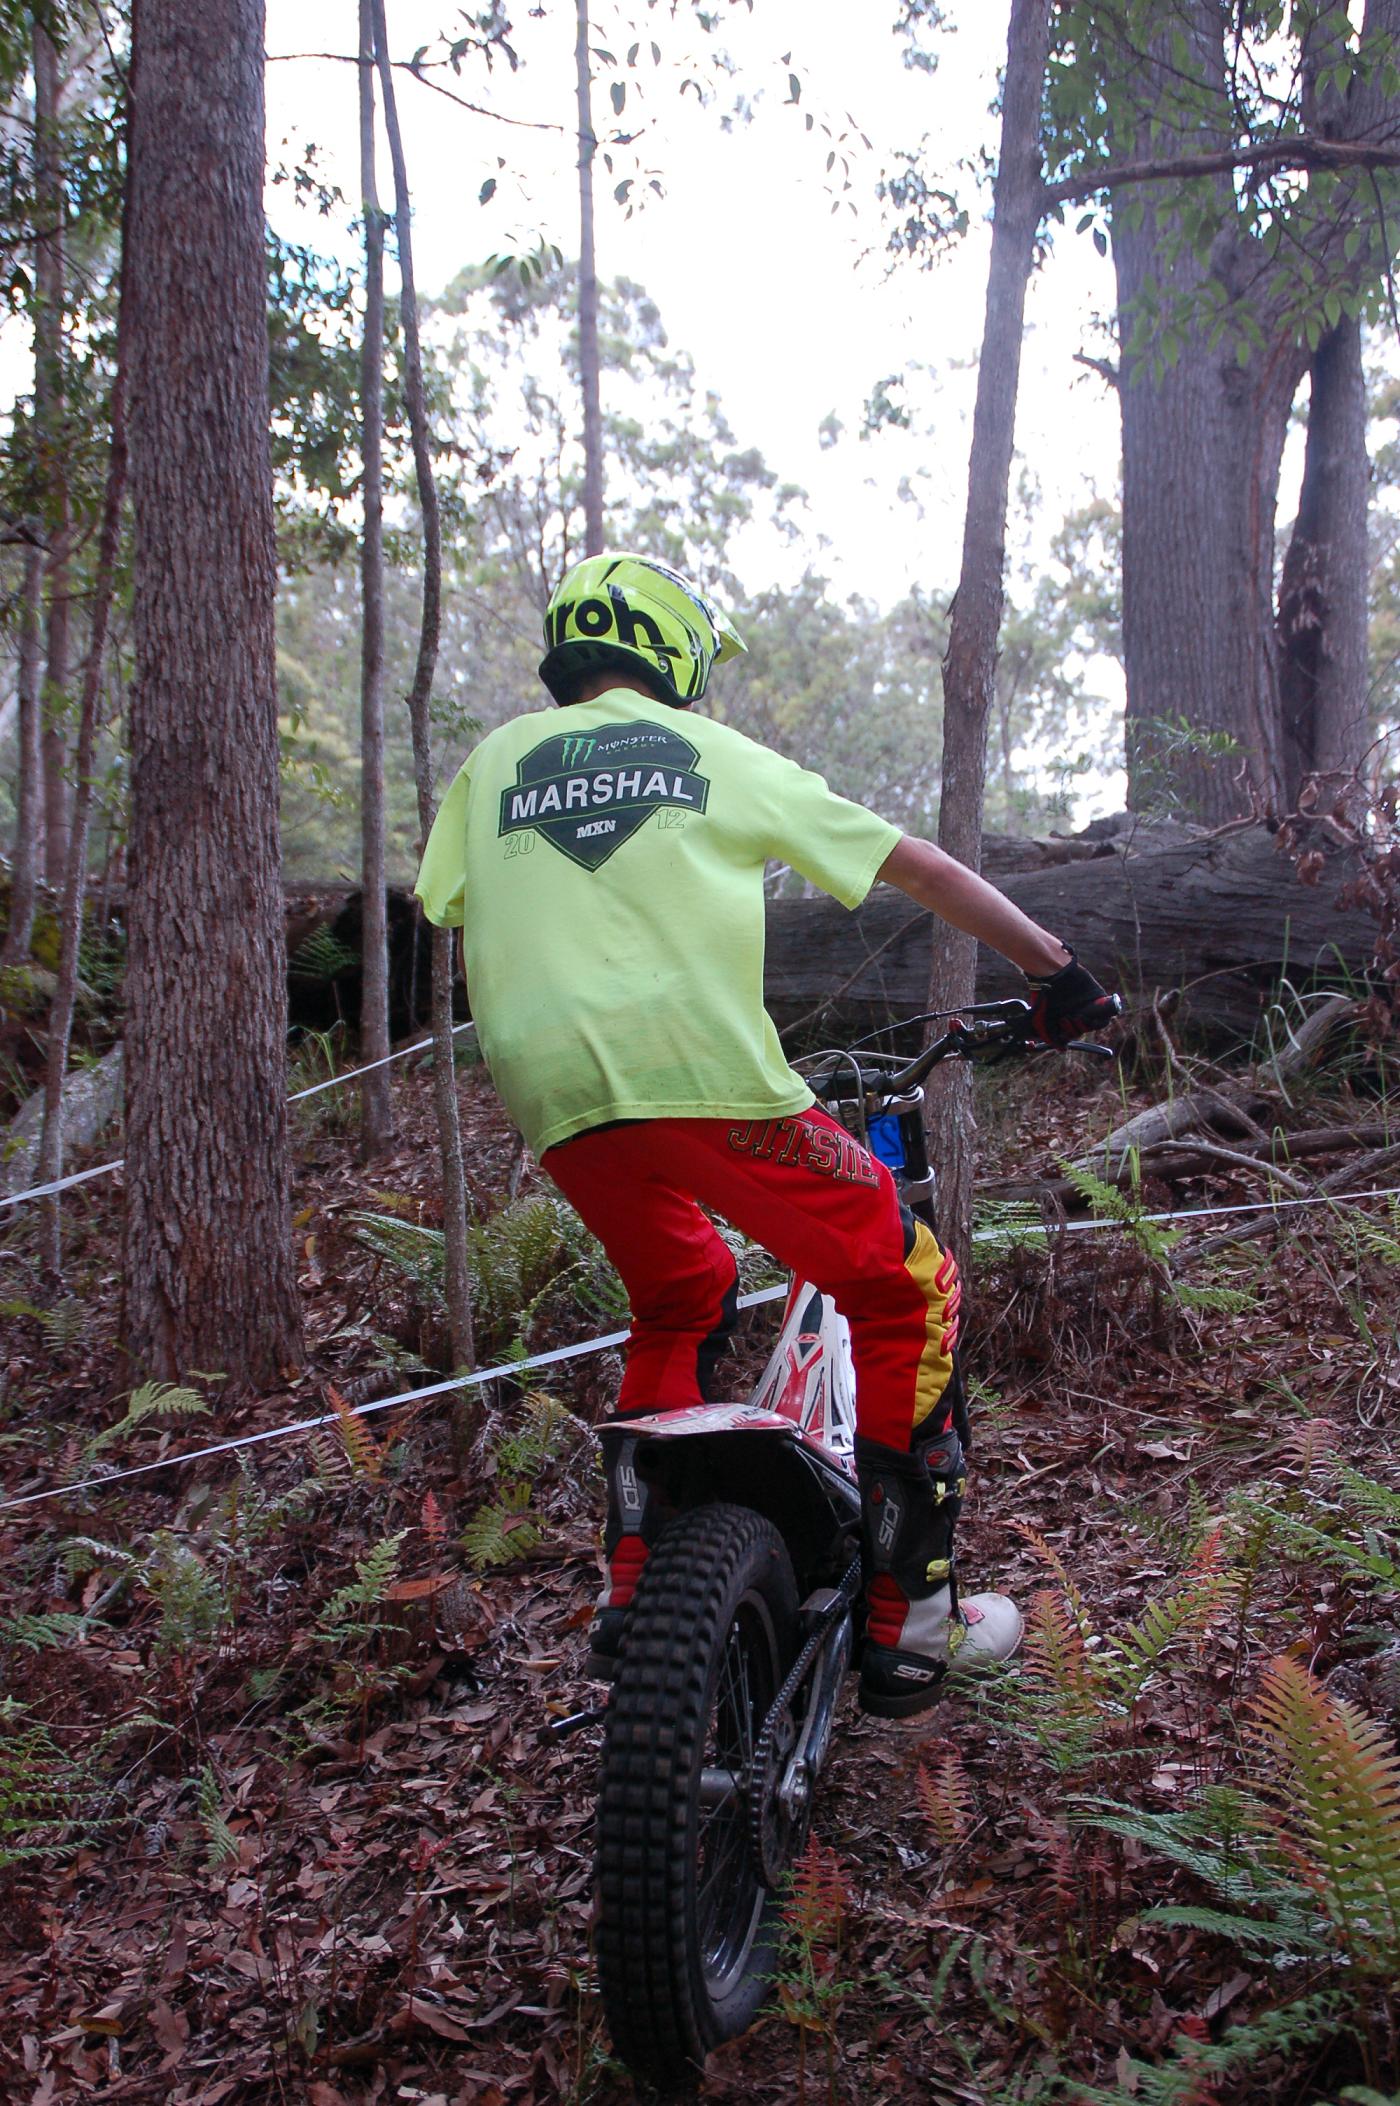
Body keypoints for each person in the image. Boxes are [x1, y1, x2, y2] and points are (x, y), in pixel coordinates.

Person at [416, 552, 1119, 1718]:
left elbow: (451, 899)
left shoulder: (489, 764)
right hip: (705, 1086)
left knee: (684, 1286)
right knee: (910, 1284)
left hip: (554, 1101)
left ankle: (636, 1589)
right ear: (670, 649)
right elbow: (922, 867)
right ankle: (914, 1625)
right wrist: (1057, 971)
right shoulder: (702, 753)